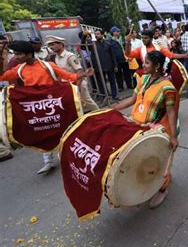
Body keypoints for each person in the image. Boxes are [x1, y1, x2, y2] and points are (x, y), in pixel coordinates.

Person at [0, 41, 93, 174]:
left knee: (61, 130)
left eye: (19, 54)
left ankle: (69, 156)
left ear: (28, 54)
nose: (16, 57)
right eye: (15, 54)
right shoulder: (19, 69)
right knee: (41, 132)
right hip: (37, 109)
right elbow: (2, 76)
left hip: (52, 105)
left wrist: (83, 74)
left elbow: (69, 76)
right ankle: (48, 161)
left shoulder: (48, 66)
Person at [113, 51, 179, 208]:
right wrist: (114, 108)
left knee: (159, 161)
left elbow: (171, 112)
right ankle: (147, 184)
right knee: (141, 159)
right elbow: (133, 99)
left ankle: (163, 188)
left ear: (156, 66)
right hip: (138, 127)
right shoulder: (143, 79)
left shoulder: (167, 88)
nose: (143, 65)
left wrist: (174, 137)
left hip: (158, 130)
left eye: (147, 63)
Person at [45, 35, 99, 112]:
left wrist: (78, 87)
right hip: (68, 84)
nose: (50, 47)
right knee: (77, 104)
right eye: (49, 45)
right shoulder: (56, 57)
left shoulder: (70, 56)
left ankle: (101, 114)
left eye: (53, 44)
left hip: (77, 83)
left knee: (88, 101)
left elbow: (79, 71)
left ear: (60, 44)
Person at [124, 29, 188, 70]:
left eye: (146, 38)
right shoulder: (140, 50)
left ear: (151, 38)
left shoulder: (159, 48)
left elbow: (172, 55)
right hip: (147, 76)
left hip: (160, 76)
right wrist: (127, 43)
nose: (143, 40)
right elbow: (128, 54)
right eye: (142, 38)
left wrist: (184, 55)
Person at [91, 29, 119, 101]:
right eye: (95, 34)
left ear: (102, 35)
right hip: (99, 67)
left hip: (109, 65)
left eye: (98, 34)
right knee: (101, 83)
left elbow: (113, 55)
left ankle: (114, 96)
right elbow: (83, 47)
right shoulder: (93, 44)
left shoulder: (108, 43)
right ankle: (105, 96)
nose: (96, 35)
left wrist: (115, 65)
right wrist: (85, 35)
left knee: (112, 81)